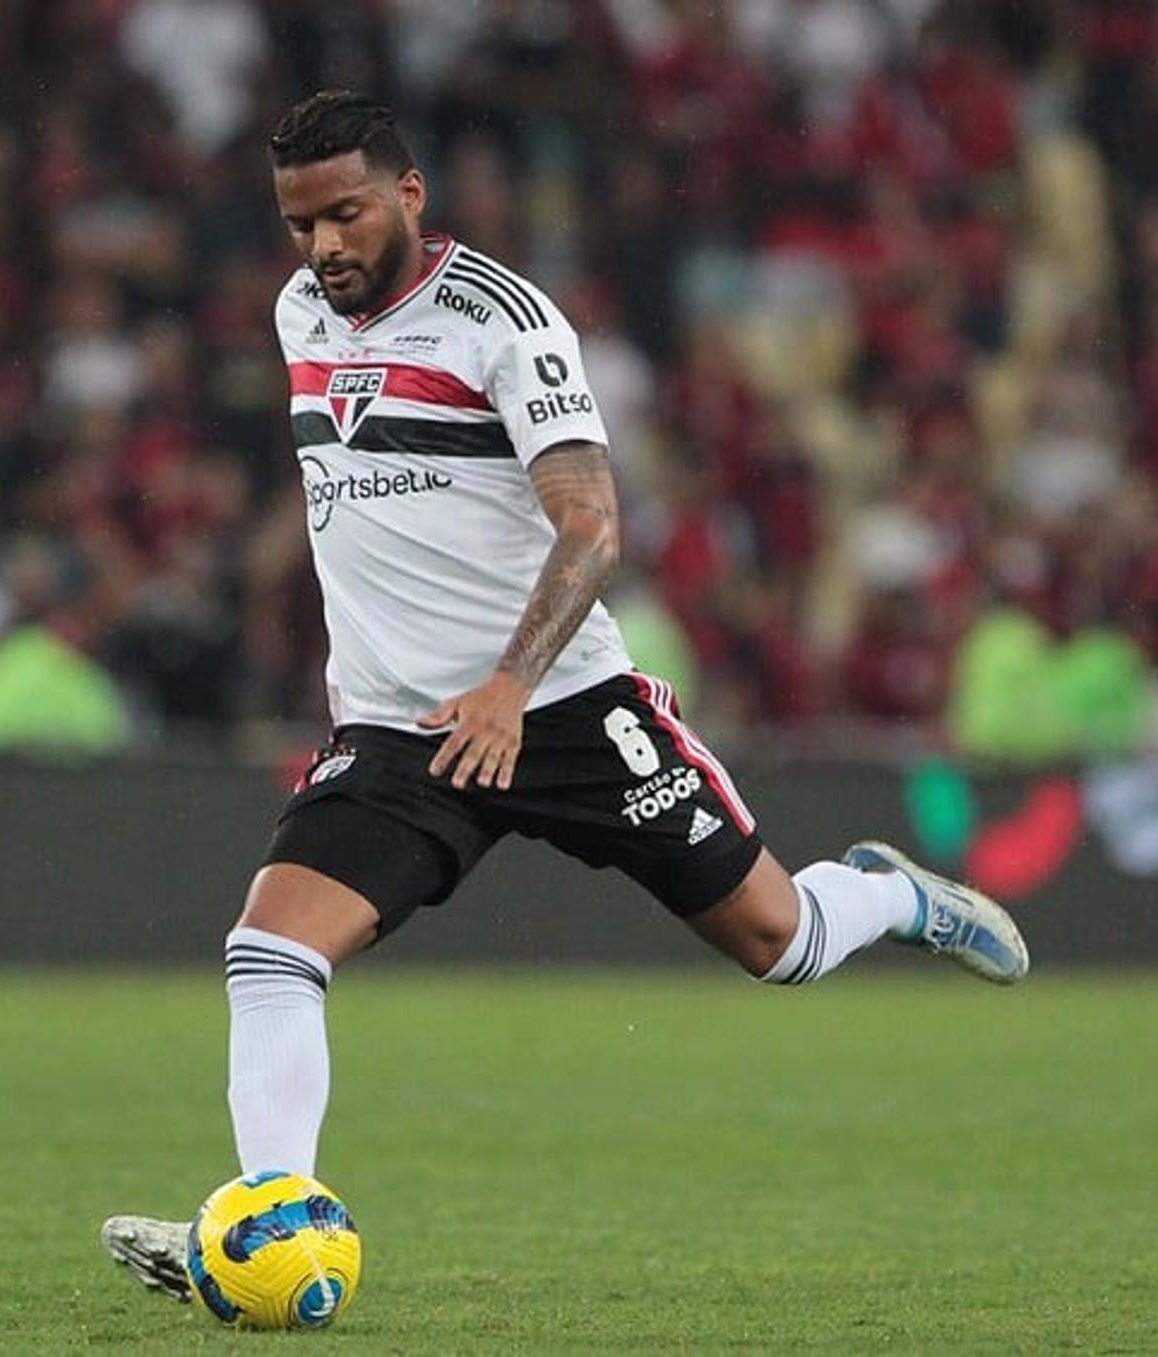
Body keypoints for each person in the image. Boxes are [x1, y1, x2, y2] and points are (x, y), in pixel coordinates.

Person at [100, 91, 1028, 1302]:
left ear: (410, 193)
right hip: (397, 730)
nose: (322, 246)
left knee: (778, 944)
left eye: (344, 213)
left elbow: (593, 528)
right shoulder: (297, 312)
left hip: (568, 712)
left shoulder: (506, 325)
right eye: (297, 224)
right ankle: (267, 1223)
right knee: (270, 952)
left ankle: (888, 892)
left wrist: (511, 683)